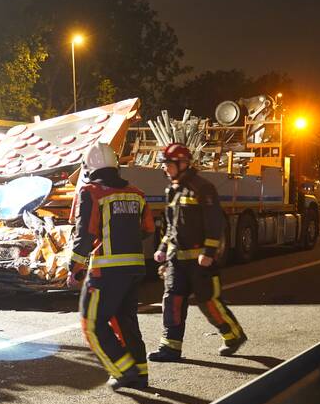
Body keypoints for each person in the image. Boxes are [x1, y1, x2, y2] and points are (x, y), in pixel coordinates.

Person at [147, 143, 246, 362]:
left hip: (200, 262)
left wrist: (209, 251)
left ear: (182, 164)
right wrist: (162, 249)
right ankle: (170, 348)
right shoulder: (172, 190)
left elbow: (215, 222)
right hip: (176, 260)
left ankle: (233, 335)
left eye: (168, 164)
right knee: (172, 301)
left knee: (208, 302)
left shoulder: (202, 188)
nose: (165, 169)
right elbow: (171, 226)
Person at [68, 142, 154, 390]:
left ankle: (122, 369)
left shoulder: (91, 192)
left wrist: (74, 268)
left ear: (88, 167)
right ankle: (140, 373)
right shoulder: (137, 193)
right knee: (126, 321)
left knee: (92, 322)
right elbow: (148, 230)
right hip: (135, 268)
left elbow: (85, 234)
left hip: (105, 270)